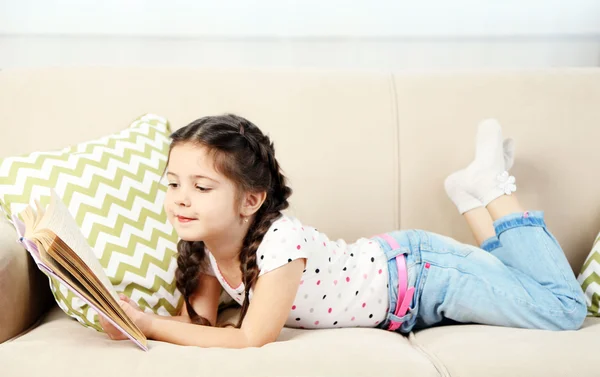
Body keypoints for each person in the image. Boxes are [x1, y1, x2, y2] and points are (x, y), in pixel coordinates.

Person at [99, 115, 587, 348]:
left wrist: (149, 324)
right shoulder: (203, 249)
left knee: (564, 310)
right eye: (173, 184)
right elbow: (197, 328)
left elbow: (250, 340)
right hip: (409, 278)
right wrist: (130, 318)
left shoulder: (280, 243)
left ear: (251, 200)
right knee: (523, 288)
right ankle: (470, 198)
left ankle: (493, 190)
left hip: (421, 276)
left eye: (201, 186)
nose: (180, 198)